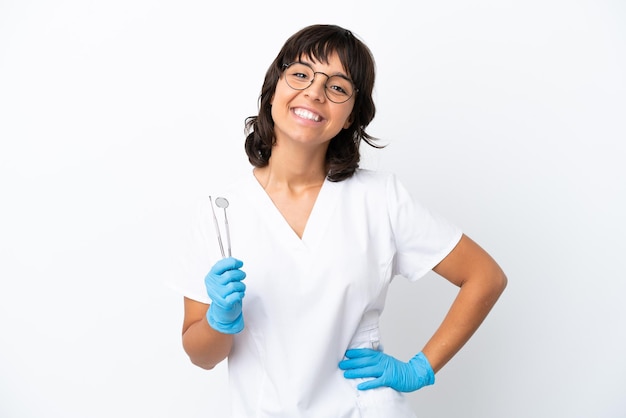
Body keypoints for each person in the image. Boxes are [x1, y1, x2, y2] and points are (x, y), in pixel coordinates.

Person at [172, 23, 507, 417]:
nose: (314, 92)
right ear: (274, 87)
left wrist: (420, 368)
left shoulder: (380, 198)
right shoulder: (220, 212)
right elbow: (202, 356)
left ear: (351, 116)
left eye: (337, 87)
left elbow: (485, 276)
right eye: (300, 74)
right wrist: (219, 320)